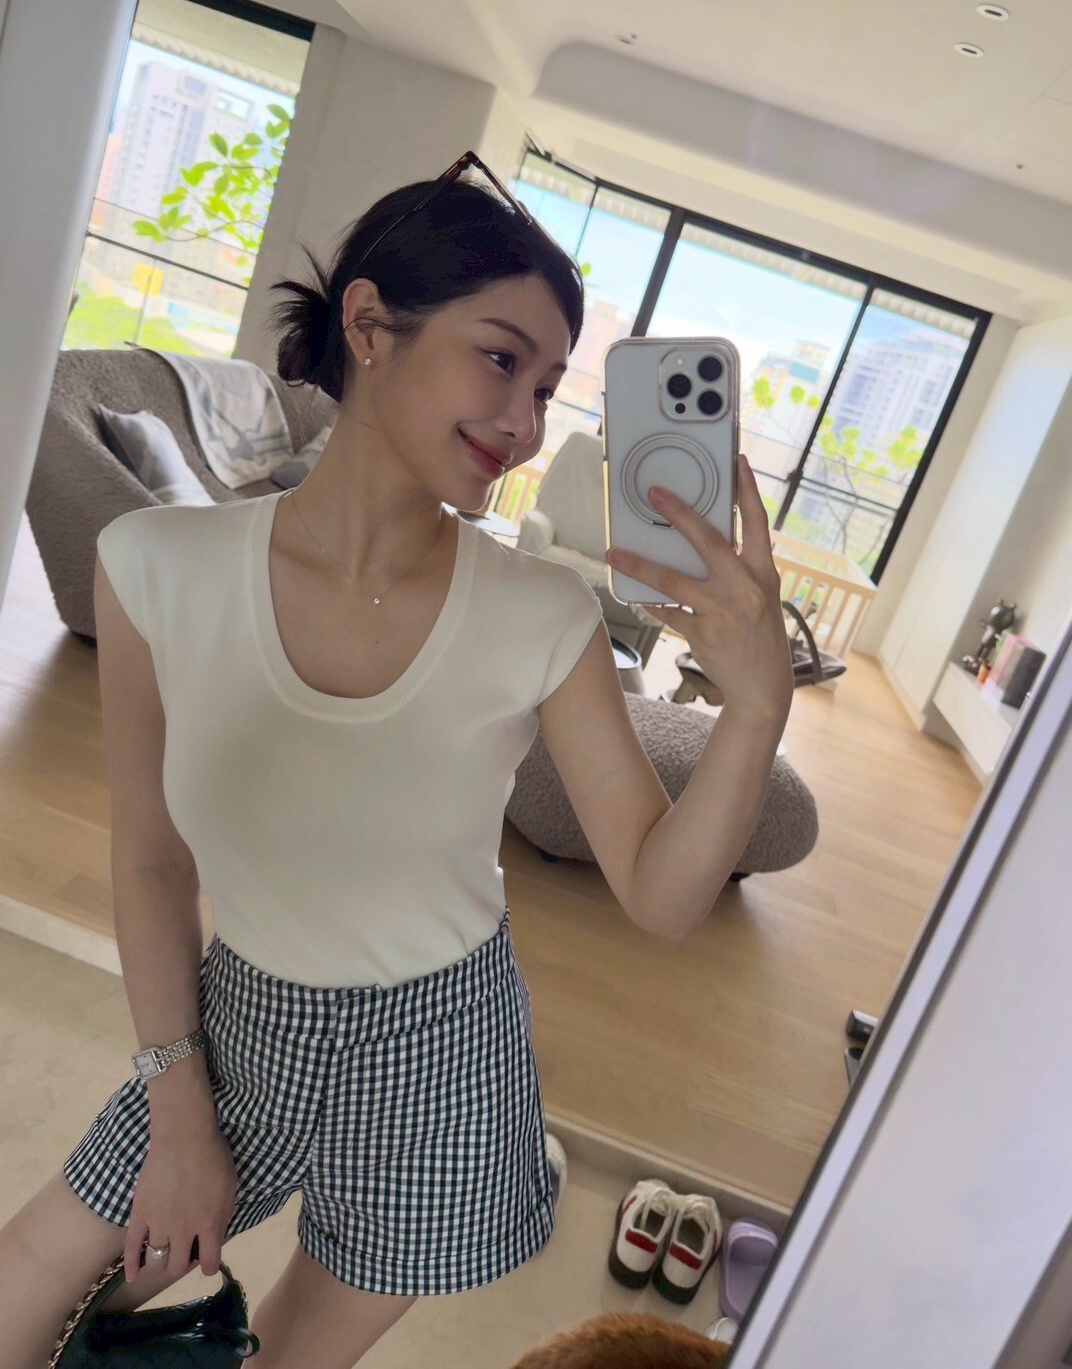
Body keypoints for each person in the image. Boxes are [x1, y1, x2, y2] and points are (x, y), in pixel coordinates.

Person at [0, 153, 793, 1369]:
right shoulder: (154, 567)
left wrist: (755, 707)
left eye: (548, 387)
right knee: (30, 1273)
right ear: (369, 326)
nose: (527, 422)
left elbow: (659, 891)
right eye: (501, 359)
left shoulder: (542, 614)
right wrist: (177, 1106)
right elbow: (152, 860)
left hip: (448, 1044)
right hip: (242, 1015)